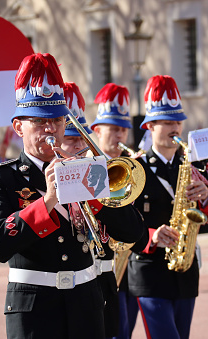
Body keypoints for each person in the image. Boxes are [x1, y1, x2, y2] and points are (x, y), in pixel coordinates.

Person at [0, 53, 144, 339]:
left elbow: (135, 234)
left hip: (87, 306)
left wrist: (94, 193)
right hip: (33, 311)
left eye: (56, 121)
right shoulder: (0, 178)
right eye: (40, 122)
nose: (50, 130)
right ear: (19, 127)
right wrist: (48, 201)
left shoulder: (86, 171)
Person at [128, 75, 208, 339]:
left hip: (185, 271)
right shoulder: (136, 169)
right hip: (148, 269)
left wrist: (207, 197)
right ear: (150, 126)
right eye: (166, 122)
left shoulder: (194, 165)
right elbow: (123, 222)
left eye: (177, 121)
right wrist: (152, 235)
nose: (174, 128)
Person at [90, 83, 148, 339]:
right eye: (113, 129)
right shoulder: (88, 166)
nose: (120, 136)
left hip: (128, 268)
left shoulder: (134, 167)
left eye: (123, 129)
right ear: (97, 130)